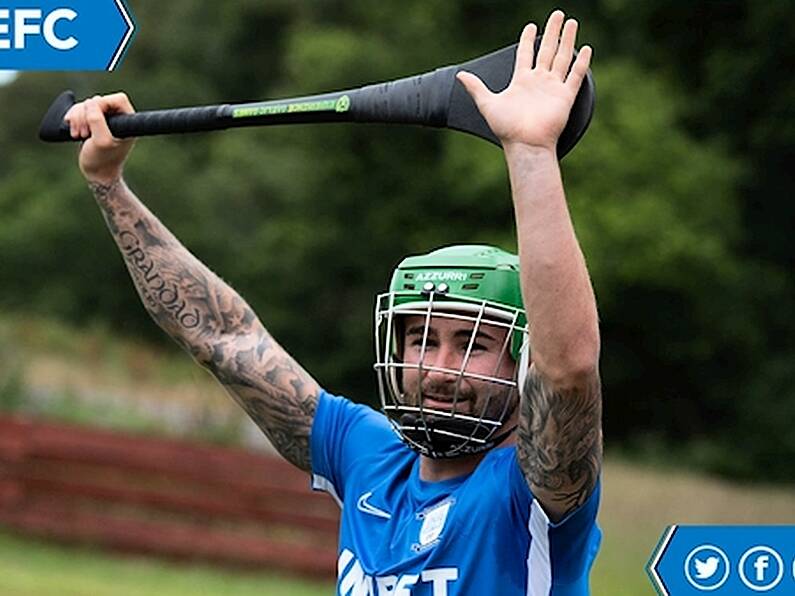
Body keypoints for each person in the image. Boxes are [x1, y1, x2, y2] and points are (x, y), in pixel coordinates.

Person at [65, 10, 602, 595]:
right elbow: (224, 339)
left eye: (472, 344)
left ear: (520, 363)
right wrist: (109, 186)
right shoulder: (366, 455)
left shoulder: (533, 493)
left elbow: (569, 368)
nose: (440, 369)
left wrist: (529, 153)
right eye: (423, 339)